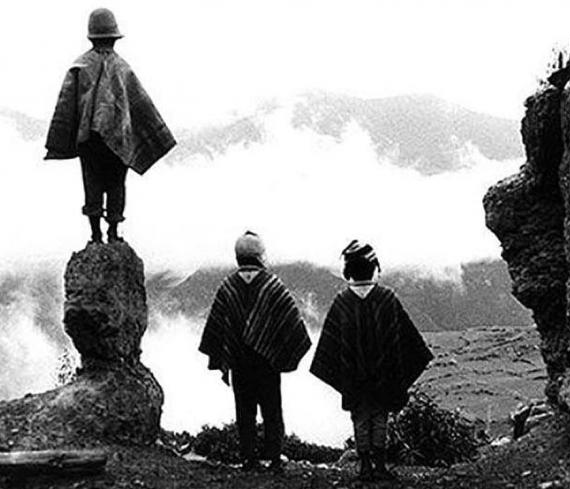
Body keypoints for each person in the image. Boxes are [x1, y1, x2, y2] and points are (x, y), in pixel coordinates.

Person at [45, 8, 176, 244]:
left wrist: (62, 140)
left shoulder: (79, 67)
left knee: (92, 183)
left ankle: (95, 235)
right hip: (119, 140)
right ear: (114, 38)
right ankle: (113, 233)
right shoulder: (123, 68)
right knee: (116, 184)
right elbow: (139, 106)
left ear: (91, 37)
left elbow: (65, 107)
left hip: (89, 141)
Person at [310, 240, 434, 482]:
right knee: (380, 418)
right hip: (384, 376)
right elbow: (408, 340)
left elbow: (331, 345)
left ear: (348, 270)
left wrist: (344, 373)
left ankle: (364, 466)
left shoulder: (342, 301)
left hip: (353, 377)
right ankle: (380, 465)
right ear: (374, 267)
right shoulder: (387, 298)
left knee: (359, 419)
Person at [198, 231, 311, 473]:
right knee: (272, 410)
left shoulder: (228, 286)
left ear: (238, 256)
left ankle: (249, 459)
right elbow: (291, 321)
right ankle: (274, 458)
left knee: (244, 411)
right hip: (267, 361)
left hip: (239, 360)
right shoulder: (272, 285)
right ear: (260, 256)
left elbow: (217, 326)